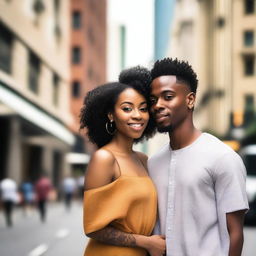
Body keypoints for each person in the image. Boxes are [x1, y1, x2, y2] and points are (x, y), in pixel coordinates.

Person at [147, 58, 249, 256]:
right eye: (153, 100)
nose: (157, 105)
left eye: (167, 97)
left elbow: (235, 233)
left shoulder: (222, 158)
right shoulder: (153, 163)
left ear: (190, 100)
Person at [80, 66, 166, 256]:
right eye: (127, 108)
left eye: (143, 109)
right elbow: (92, 227)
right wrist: (147, 242)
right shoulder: (104, 158)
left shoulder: (144, 161)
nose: (137, 115)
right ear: (111, 115)